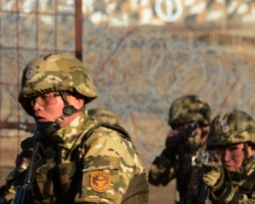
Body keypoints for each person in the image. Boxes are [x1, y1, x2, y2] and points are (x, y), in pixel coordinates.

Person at [0, 53, 149, 203]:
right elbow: (8, 196)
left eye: (46, 97)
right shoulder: (38, 149)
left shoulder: (103, 143)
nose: (36, 106)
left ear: (77, 100)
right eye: (32, 100)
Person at [187, 110, 255, 204]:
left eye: (233, 149)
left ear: (251, 147)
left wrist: (222, 189)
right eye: (219, 149)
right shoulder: (209, 176)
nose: (225, 157)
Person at [148, 95, 213, 203]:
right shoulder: (181, 150)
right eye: (177, 128)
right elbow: (156, 178)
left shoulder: (218, 149)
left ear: (204, 125)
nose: (180, 132)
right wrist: (169, 153)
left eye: (185, 127)